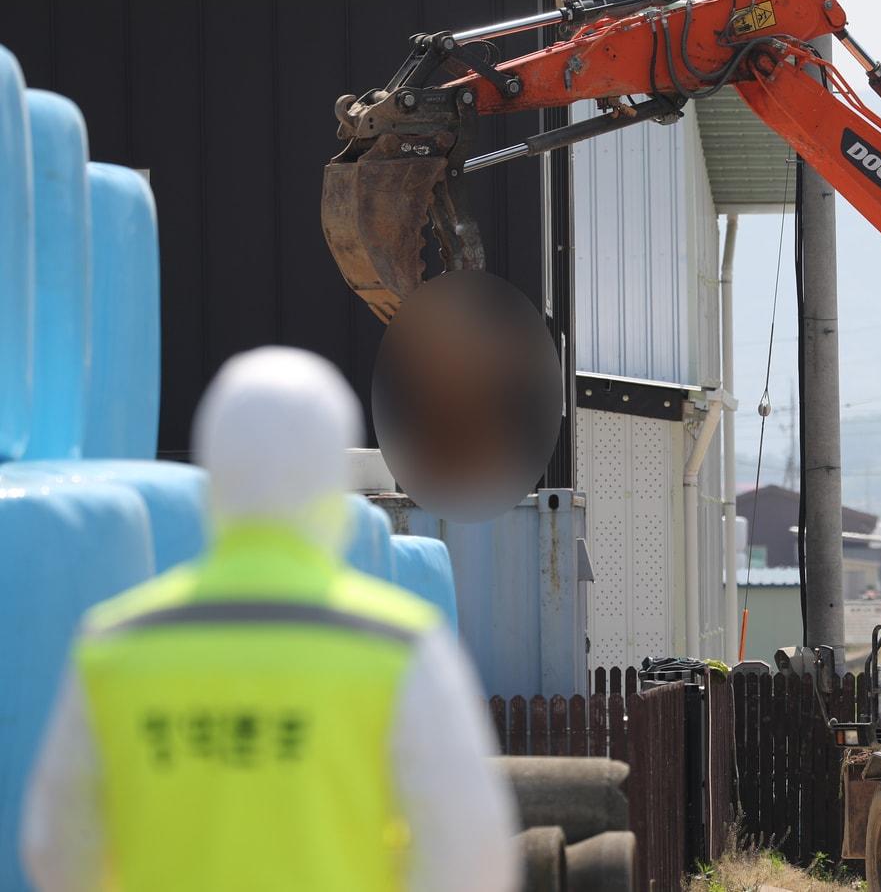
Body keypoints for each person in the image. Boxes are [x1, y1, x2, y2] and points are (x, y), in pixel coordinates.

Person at [21, 346, 520, 892]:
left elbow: (55, 849)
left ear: (213, 474)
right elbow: (472, 855)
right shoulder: (397, 645)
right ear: (332, 477)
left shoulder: (115, 644)